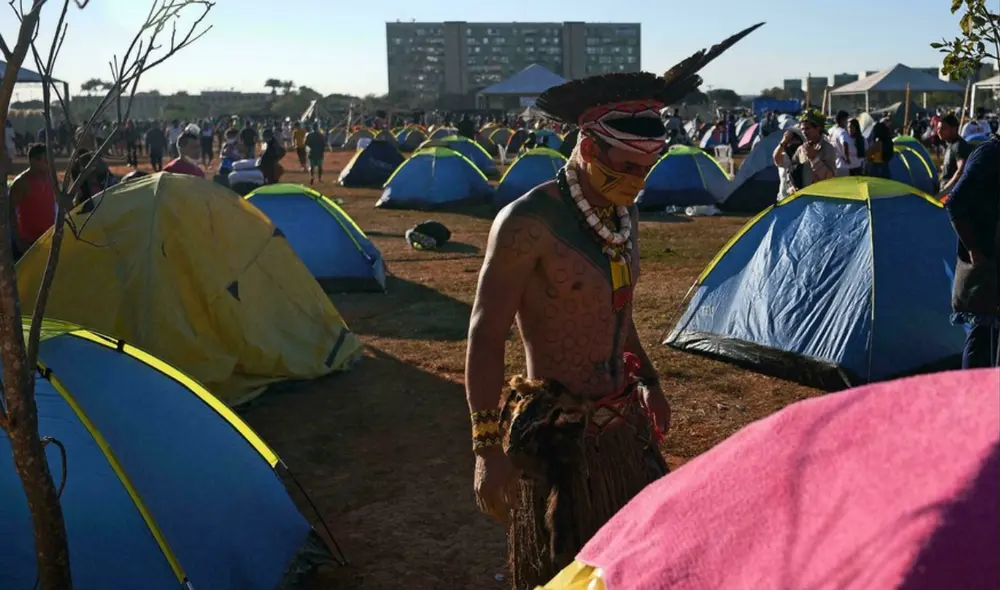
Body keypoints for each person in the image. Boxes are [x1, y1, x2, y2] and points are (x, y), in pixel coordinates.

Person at [466, 23, 762, 590]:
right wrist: (485, 447)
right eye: (624, 167)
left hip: (624, 425)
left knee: (640, 567)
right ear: (586, 145)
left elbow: (617, 315)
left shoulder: (619, 217)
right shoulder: (527, 224)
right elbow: (484, 333)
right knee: (563, 573)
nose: (635, 182)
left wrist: (650, 379)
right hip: (557, 440)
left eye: (644, 171)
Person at [946, 133, 1000, 368]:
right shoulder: (989, 154)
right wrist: (974, 249)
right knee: (983, 334)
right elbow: (955, 201)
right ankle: (973, 397)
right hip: (987, 262)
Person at [8, 143, 56, 257]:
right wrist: (18, 240)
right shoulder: (22, 183)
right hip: (29, 242)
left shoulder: (50, 177)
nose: (49, 164)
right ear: (33, 161)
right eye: (45, 161)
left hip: (49, 238)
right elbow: (9, 211)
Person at [793, 109, 838, 188]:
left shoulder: (828, 149)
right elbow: (791, 168)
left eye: (807, 128)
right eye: (802, 129)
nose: (804, 132)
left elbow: (830, 178)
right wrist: (791, 185)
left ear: (818, 128)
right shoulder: (801, 149)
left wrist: (814, 159)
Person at [938, 114, 973, 197]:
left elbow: (960, 172)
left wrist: (944, 191)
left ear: (954, 129)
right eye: (938, 128)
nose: (939, 131)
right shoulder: (951, 145)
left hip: (951, 196)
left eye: (943, 128)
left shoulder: (958, 146)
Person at [772, 128, 804, 199]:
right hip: (785, 197)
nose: (792, 143)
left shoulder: (805, 155)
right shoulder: (784, 157)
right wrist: (783, 141)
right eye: (790, 140)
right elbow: (775, 158)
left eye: (795, 140)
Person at [827, 110, 854, 177]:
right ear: (842, 120)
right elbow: (845, 143)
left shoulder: (831, 130)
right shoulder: (842, 132)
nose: (847, 122)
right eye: (846, 120)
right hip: (842, 165)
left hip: (832, 164)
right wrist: (847, 158)